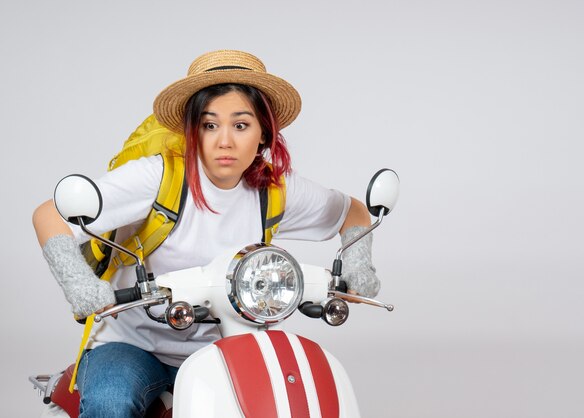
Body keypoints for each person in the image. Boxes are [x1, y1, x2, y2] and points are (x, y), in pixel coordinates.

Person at [32, 50, 379, 417]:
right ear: (191, 130)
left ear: (264, 133)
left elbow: (352, 211)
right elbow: (50, 213)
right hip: (133, 345)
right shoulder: (158, 178)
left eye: (241, 125)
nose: (225, 141)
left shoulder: (274, 189)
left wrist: (358, 262)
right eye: (210, 125)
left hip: (228, 346)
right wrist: (77, 283)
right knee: (111, 402)